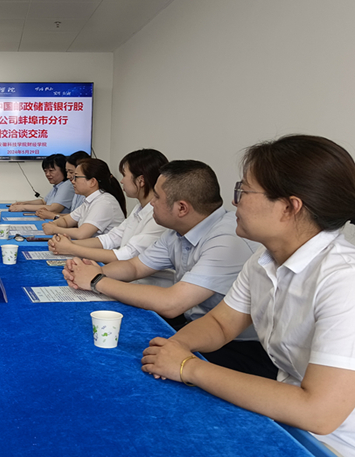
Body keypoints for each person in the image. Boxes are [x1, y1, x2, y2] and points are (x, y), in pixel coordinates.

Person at [141, 135, 355, 456]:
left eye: (244, 191)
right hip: (283, 415)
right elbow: (221, 324)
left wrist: (188, 367)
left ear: (289, 207)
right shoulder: (263, 260)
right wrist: (177, 347)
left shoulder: (344, 281)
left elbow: (319, 412)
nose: (234, 202)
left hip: (332, 443)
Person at [63, 160, 275, 379]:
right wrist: (91, 272)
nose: (151, 203)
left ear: (182, 208)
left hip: (241, 347)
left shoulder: (228, 238)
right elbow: (135, 267)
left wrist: (97, 281)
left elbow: (172, 304)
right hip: (200, 328)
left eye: (156, 196)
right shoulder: (178, 231)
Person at [49, 149, 169, 265]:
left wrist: (71, 248)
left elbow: (127, 255)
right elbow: (111, 238)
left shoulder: (158, 216)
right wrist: (68, 245)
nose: (121, 181)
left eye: (124, 175)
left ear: (141, 180)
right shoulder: (139, 209)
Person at [42, 158, 127, 239]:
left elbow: (81, 234)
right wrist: (53, 224)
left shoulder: (104, 202)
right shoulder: (89, 201)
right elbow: (66, 221)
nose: (72, 181)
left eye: (76, 177)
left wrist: (54, 229)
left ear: (92, 182)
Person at [9, 154, 74, 213]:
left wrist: (23, 207)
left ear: (64, 170)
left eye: (51, 170)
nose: (47, 174)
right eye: (45, 171)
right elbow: (43, 202)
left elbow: (54, 208)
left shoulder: (67, 185)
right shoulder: (58, 185)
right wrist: (24, 203)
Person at [35, 151, 90, 220]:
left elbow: (80, 220)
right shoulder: (78, 190)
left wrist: (53, 216)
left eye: (71, 172)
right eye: (67, 172)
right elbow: (74, 216)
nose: (68, 176)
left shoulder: (69, 186)